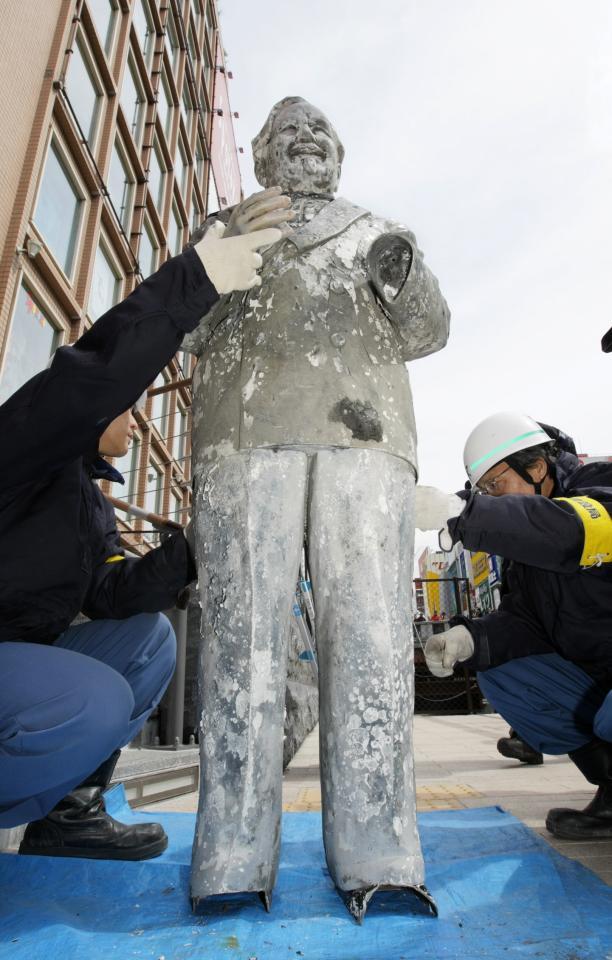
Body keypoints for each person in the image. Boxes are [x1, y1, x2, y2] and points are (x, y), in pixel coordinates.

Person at [184, 97, 449, 918]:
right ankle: (230, 857)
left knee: (370, 636)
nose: (304, 139)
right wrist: (218, 247)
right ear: (262, 155)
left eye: (319, 131)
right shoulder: (226, 224)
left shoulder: (379, 229)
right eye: (284, 132)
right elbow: (180, 325)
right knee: (241, 642)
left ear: (339, 153)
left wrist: (404, 276)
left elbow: (430, 329)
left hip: (366, 443)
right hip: (240, 437)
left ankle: (382, 853)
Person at [0, 214, 285, 858]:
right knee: (87, 699)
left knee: (147, 640)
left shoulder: (85, 500)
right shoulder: (24, 446)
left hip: (14, 656)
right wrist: (194, 279)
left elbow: (110, 593)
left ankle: (67, 816)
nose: (135, 416)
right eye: (130, 404)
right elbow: (88, 381)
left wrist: (196, 546)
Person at [414, 412, 612, 840]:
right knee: (505, 670)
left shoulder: (601, 488)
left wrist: (465, 512)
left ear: (537, 468)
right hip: (599, 674)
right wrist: (472, 638)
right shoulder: (523, 554)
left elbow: (570, 533)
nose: (490, 498)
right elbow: (526, 620)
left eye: (494, 486)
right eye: (483, 491)